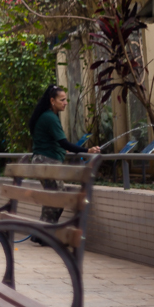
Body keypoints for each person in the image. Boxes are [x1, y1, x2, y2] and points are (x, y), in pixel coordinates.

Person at [27, 85, 100, 226]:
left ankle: (41, 232)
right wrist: (87, 151)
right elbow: (64, 143)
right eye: (62, 100)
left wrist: (61, 150)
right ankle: (44, 232)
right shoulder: (50, 117)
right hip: (47, 163)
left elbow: (52, 142)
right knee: (58, 198)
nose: (66, 103)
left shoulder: (46, 116)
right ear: (52, 101)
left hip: (42, 161)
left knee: (52, 198)